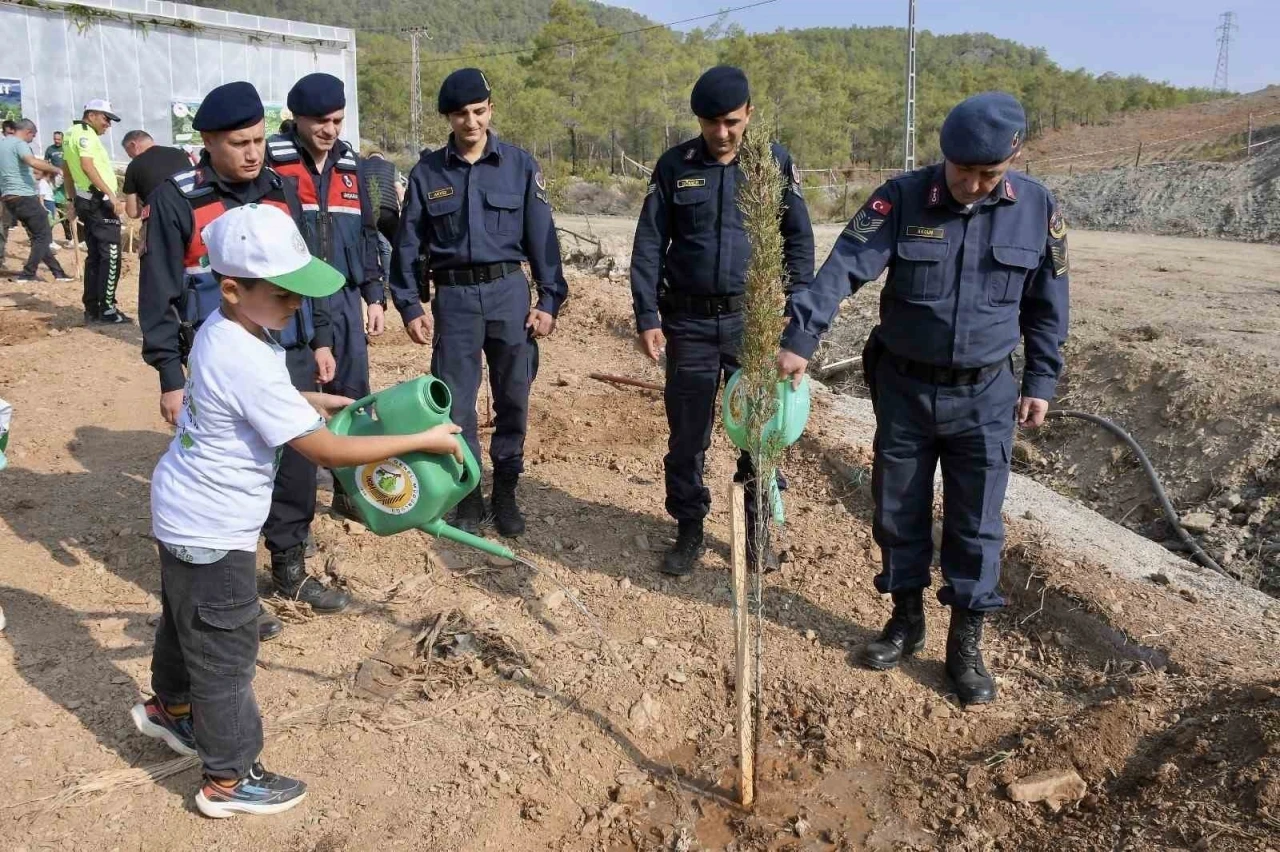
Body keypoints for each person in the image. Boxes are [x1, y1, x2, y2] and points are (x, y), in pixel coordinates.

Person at [131, 202, 464, 818]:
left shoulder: (222, 330)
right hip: (215, 524)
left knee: (187, 620)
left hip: (180, 507)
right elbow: (325, 449)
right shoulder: (249, 356)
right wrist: (423, 440)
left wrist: (309, 394)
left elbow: (245, 395)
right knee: (228, 651)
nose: (296, 306)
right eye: (285, 295)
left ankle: (170, 710)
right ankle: (228, 780)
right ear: (232, 288)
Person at [777, 92, 1070, 706]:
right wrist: (802, 336)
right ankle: (906, 623)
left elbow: (1048, 309)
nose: (972, 184)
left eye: (988, 174)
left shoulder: (1037, 209)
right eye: (963, 170)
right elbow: (843, 268)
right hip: (906, 391)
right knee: (898, 510)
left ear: (1013, 160)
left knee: (976, 523)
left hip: (987, 395)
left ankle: (965, 647)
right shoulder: (902, 197)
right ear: (946, 157)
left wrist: (1041, 381)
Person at [139, 80, 349, 630]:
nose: (253, 152)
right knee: (231, 471)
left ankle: (289, 565)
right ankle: (231, 593)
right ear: (207, 142)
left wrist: (321, 336)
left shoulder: (282, 188)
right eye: (239, 143)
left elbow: (309, 267)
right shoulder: (179, 200)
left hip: (292, 346)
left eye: (258, 139)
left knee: (297, 466)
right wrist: (168, 374)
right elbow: (158, 293)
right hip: (226, 360)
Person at [629, 65, 814, 576]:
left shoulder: (773, 163)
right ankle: (689, 529)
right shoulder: (674, 165)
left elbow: (798, 241)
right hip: (687, 324)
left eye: (733, 121)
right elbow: (648, 245)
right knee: (688, 435)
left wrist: (794, 314)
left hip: (749, 323)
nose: (723, 133)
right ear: (699, 121)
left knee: (757, 432)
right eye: (712, 123)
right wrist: (647, 314)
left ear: (749, 114)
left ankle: (755, 535)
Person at [390, 67, 569, 538]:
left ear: (491, 109)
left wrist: (549, 301)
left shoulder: (520, 165)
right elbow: (407, 244)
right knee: (456, 404)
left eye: (478, 111)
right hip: (455, 300)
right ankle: (468, 491)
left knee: (513, 397)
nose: (470, 122)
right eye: (460, 114)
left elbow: (543, 240)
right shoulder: (428, 172)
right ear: (447, 118)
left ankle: (506, 491)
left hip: (509, 293)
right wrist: (409, 304)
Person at [64, 99, 129, 324]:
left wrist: (71, 200)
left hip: (85, 200)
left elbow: (67, 171)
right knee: (110, 256)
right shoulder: (85, 135)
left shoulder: (70, 133)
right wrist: (111, 196)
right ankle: (107, 309)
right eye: (105, 118)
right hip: (98, 202)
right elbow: (86, 165)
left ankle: (92, 307)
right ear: (91, 115)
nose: (108, 124)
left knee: (95, 257)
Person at [0, 119, 73, 282]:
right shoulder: (19, 144)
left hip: (9, 197)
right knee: (43, 236)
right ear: (28, 132)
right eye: (33, 136)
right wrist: (56, 169)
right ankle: (28, 274)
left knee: (38, 237)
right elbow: (32, 162)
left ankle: (58, 273)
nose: (32, 139)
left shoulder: (2, 145)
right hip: (24, 196)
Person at [121, 130, 193, 219]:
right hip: (190, 214)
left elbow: (133, 213)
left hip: (160, 221)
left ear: (133, 145)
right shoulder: (180, 154)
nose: (130, 157)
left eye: (129, 153)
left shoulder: (134, 165)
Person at [362, 150, 401, 280]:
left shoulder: (361, 165)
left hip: (368, 212)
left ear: (369, 157)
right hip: (388, 211)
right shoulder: (390, 166)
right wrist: (404, 209)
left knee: (373, 246)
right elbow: (399, 189)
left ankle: (378, 279)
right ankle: (402, 278)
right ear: (382, 158)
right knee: (400, 245)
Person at [42, 130, 74, 244]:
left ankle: (69, 238)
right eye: (55, 139)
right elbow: (45, 163)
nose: (56, 141)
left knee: (65, 214)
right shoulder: (50, 149)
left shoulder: (67, 148)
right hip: (53, 183)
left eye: (59, 139)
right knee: (50, 214)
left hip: (65, 185)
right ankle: (48, 239)